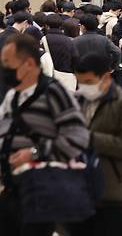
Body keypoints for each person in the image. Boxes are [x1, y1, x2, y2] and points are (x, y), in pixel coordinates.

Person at [0, 34, 90, 236]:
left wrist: (34, 153)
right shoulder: (13, 95)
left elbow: (77, 139)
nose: (4, 68)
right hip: (12, 188)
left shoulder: (54, 93)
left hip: (43, 191)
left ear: (29, 64)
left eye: (7, 63)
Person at [68, 53, 122, 236]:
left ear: (106, 77)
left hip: (111, 189)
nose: (84, 87)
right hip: (78, 189)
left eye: (89, 81)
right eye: (80, 81)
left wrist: (89, 138)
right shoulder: (77, 101)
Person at [41, 13, 79, 91]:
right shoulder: (69, 41)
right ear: (61, 26)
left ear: (47, 26)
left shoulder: (44, 40)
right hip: (67, 78)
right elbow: (75, 59)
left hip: (49, 77)